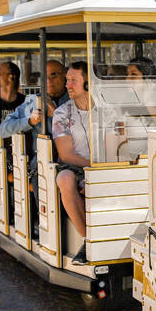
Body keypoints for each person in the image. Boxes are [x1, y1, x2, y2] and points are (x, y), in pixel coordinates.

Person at [52, 61, 92, 264]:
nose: (67, 85)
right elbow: (66, 154)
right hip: (76, 167)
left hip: (105, 165)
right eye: (67, 80)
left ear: (87, 83)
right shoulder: (61, 113)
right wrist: (92, 168)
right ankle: (89, 240)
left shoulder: (106, 109)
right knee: (65, 179)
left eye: (73, 81)